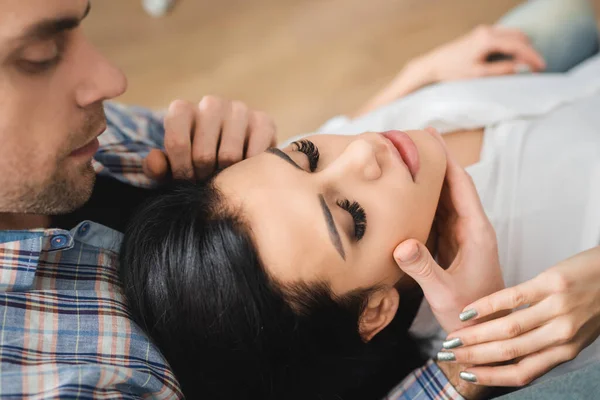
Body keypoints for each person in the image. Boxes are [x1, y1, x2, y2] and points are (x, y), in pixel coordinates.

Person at [119, 1, 600, 399]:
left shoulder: (362, 147)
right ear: (375, 311)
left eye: (303, 155)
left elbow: (337, 134)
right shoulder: (554, 283)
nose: (363, 151)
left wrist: (422, 77)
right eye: (352, 216)